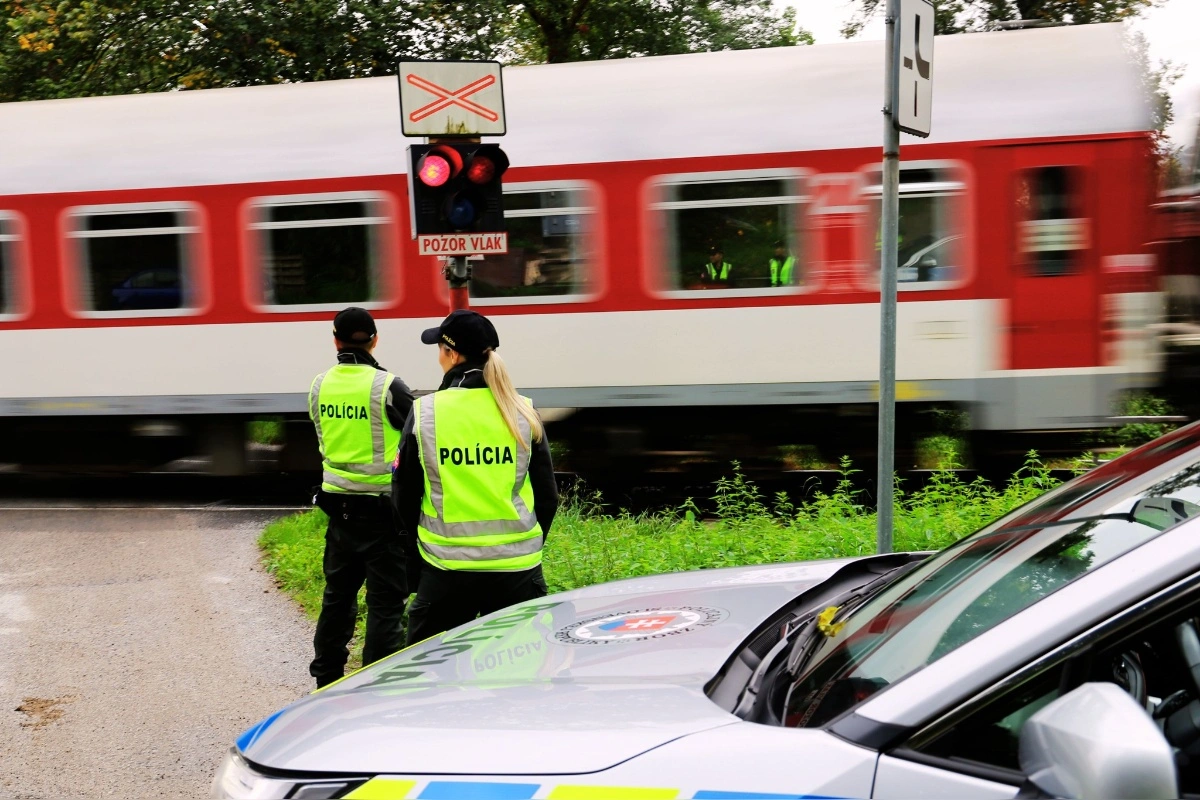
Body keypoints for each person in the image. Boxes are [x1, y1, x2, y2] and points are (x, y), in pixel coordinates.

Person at [392, 309, 558, 644]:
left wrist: (415, 557)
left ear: (452, 354)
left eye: (440, 349)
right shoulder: (523, 410)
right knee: (523, 667)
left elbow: (404, 496)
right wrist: (523, 547)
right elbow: (548, 496)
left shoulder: (426, 412)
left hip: (447, 571)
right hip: (517, 572)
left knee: (431, 668)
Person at [308, 307, 414, 688]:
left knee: (337, 599)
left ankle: (326, 682)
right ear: (375, 340)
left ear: (335, 340)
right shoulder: (388, 387)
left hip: (339, 512)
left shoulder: (319, 386)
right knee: (385, 605)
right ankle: (376, 688)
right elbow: (417, 437)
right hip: (384, 515)